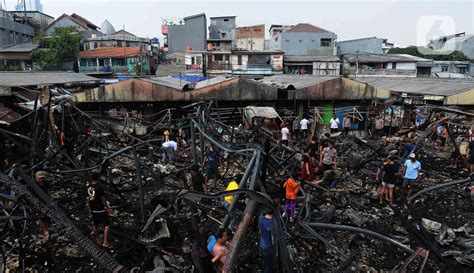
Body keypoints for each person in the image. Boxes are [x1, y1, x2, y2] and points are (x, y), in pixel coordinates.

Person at [88, 179, 113, 249]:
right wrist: (108, 208)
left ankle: (98, 240)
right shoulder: (98, 187)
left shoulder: (88, 187)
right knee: (107, 224)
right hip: (100, 210)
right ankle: (105, 243)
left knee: (95, 224)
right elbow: (103, 199)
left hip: (93, 210)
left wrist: (90, 208)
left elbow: (88, 199)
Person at [34, 171, 51, 237]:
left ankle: (46, 229)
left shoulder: (45, 183)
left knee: (47, 216)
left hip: (45, 201)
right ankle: (44, 230)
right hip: (37, 202)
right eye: (39, 178)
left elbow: (48, 191)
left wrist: (51, 200)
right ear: (36, 178)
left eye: (42, 178)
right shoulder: (33, 184)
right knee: (41, 216)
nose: (41, 180)